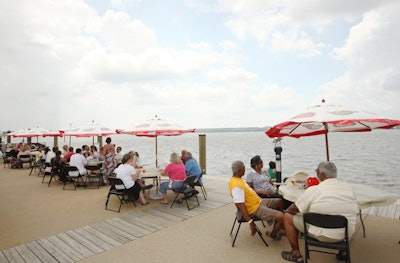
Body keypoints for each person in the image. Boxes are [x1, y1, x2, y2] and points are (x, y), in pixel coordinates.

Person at [281, 161, 358, 263]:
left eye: (317, 171)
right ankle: (343, 252)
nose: (316, 174)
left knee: (287, 217)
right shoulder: (348, 189)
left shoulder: (315, 190)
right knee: (340, 212)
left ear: (322, 175)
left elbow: (291, 210)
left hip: (320, 232)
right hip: (344, 234)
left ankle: (296, 254)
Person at [229, 160, 284, 239]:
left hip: (259, 201)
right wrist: (250, 222)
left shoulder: (237, 179)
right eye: (244, 168)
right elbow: (240, 205)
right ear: (241, 170)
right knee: (282, 217)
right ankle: (273, 234)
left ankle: (278, 225)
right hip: (255, 209)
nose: (245, 170)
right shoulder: (236, 186)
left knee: (280, 202)